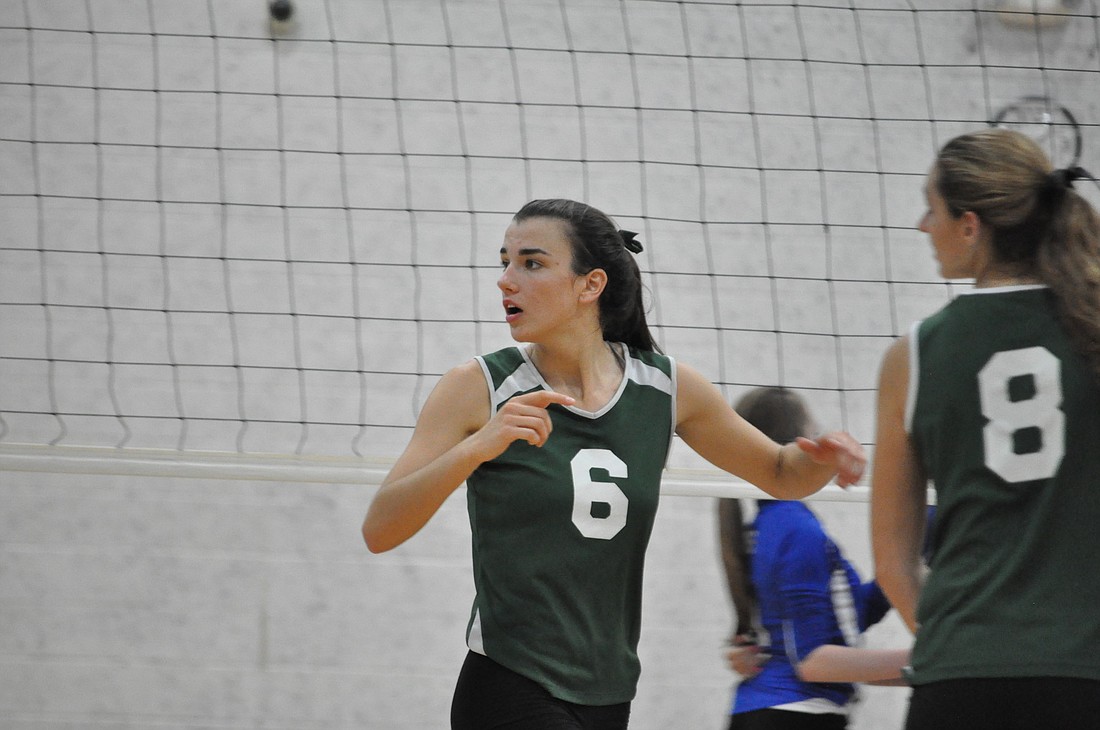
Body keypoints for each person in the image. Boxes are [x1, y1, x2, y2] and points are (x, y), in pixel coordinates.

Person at [362, 198, 867, 730]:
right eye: (504, 261)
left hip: (609, 691)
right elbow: (380, 528)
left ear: (591, 284)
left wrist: (826, 457)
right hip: (509, 680)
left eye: (531, 263)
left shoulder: (665, 387)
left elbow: (782, 475)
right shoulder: (478, 386)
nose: (506, 280)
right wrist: (478, 447)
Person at [870, 127, 1100, 730]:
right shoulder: (1093, 333)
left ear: (971, 226)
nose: (924, 226)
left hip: (961, 677)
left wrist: (960, 643)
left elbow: (893, 564)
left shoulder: (911, 357)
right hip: (1083, 674)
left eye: (932, 208)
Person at [718, 387, 910, 730]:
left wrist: (910, 554)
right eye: (814, 433)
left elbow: (851, 617)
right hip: (793, 714)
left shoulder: (770, 524)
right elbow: (813, 661)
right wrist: (929, 662)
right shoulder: (794, 528)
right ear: (799, 446)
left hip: (777, 712)